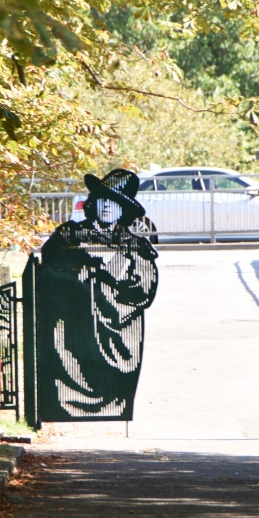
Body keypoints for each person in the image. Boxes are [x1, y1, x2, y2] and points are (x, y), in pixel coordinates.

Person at [38, 169, 158, 421]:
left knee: (113, 386)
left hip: (116, 335)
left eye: (114, 202)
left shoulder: (135, 245)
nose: (106, 207)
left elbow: (144, 291)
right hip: (72, 331)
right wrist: (78, 274)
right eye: (103, 199)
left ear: (124, 210)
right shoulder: (68, 235)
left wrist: (108, 279)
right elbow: (46, 273)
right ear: (93, 203)